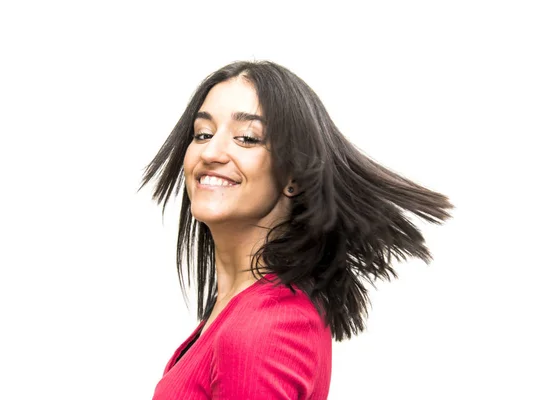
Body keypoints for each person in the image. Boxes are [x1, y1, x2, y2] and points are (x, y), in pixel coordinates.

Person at [140, 60, 453, 399]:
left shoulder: (263, 327)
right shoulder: (239, 314)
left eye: (246, 138)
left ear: (293, 177)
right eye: (203, 133)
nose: (211, 151)